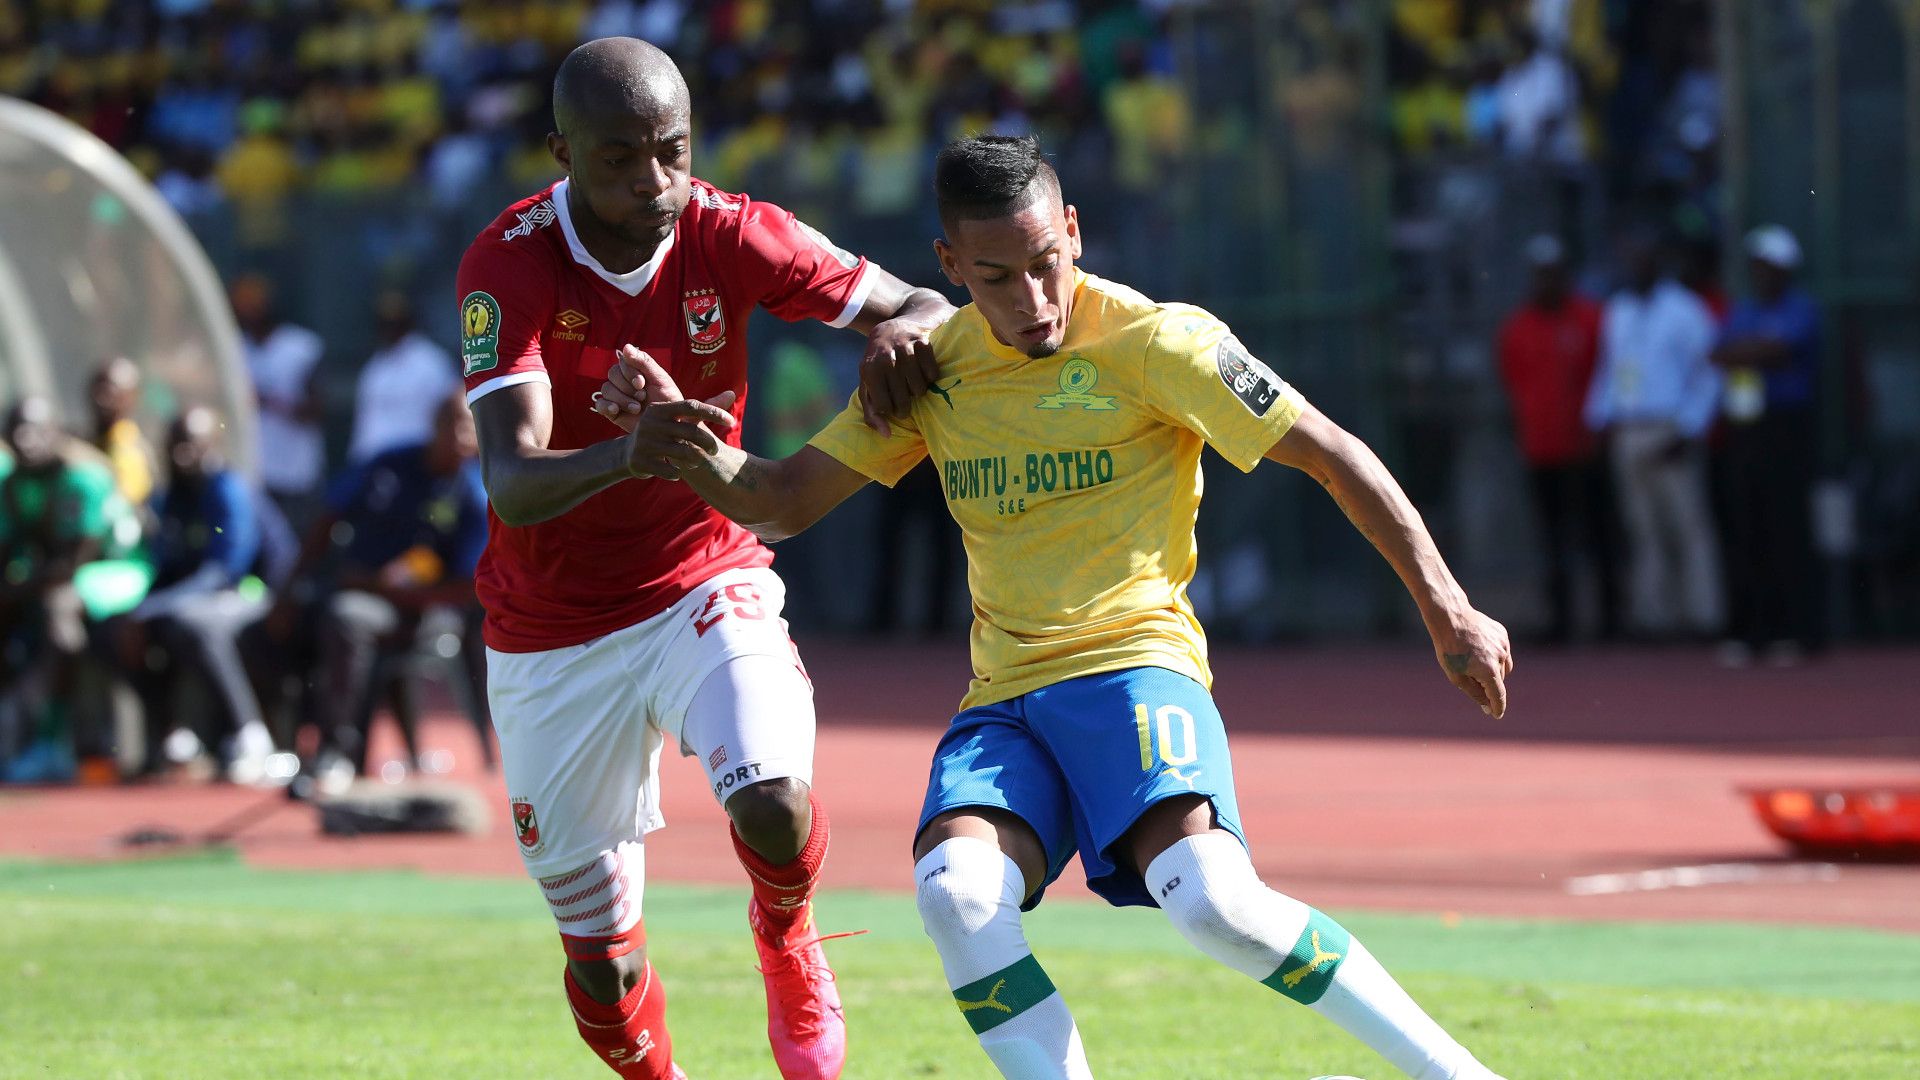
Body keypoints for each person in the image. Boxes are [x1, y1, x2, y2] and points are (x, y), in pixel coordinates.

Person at [604, 134, 1510, 1080]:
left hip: (1135, 667)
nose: (1034, 299)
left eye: (1048, 264)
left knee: (1213, 903)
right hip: (1004, 702)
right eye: (997, 277)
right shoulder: (931, 368)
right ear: (950, 267)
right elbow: (783, 503)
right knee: (955, 897)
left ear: (1073, 230)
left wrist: (1450, 610)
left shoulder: (1160, 341)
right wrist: (678, 441)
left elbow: (1329, 450)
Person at [459, 38, 952, 1080]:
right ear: (562, 152)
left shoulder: (734, 232)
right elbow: (510, 480)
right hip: (551, 632)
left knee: (772, 799)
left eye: (672, 151)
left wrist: (898, 339)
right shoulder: (509, 263)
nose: (655, 182)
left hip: (702, 574)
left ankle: (788, 936)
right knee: (599, 963)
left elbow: (923, 305)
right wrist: (629, 452)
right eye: (620, 159)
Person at [246, 394, 488, 782]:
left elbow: (470, 588)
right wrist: (288, 590)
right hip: (352, 584)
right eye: (451, 422)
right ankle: (275, 746)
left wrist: (384, 590)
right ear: (434, 424)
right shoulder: (389, 463)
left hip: (421, 612)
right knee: (266, 627)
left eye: (469, 425)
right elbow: (328, 517)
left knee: (348, 618)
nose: (459, 434)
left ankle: (337, 753)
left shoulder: (476, 495)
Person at [118, 407, 276, 781]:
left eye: (191, 444)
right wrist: (139, 611)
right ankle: (175, 738)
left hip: (253, 594)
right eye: (175, 444)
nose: (182, 453)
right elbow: (166, 567)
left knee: (194, 623)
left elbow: (225, 571)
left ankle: (251, 737)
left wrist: (154, 608)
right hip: (192, 599)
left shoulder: (228, 489)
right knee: (117, 630)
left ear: (212, 445)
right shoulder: (172, 496)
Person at [1584, 232, 1724, 639]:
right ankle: (1655, 619)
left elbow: (1709, 372)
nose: (1636, 265)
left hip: (1670, 429)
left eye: (1644, 257)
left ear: (1660, 261)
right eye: (1630, 257)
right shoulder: (1620, 309)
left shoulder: (1685, 309)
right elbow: (1610, 369)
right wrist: (1599, 419)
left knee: (1689, 526)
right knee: (1642, 528)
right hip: (1629, 428)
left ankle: (1703, 617)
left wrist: (1691, 429)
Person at [0, 398, 137, 782]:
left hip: (119, 569)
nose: (25, 439)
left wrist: (15, 590)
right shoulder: (14, 479)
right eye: (16, 430)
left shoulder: (83, 474)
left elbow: (74, 561)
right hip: (54, 573)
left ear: (56, 432)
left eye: (35, 429)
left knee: (61, 613)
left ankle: (52, 742)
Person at [1496, 235, 1619, 642]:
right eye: (1540, 274)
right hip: (1541, 450)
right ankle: (1560, 623)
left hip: (1587, 449)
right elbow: (1513, 382)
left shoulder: (1592, 318)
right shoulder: (1518, 327)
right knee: (1552, 540)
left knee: (1600, 537)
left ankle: (1610, 623)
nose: (1547, 281)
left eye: (1554, 273)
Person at [1711, 225, 1822, 664]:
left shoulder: (1802, 309)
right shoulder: (1745, 310)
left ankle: (1796, 632)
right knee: (1748, 527)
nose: (1761, 274)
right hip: (1747, 427)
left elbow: (1776, 350)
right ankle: (1754, 632)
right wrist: (1752, 350)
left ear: (1785, 270)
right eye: (1756, 266)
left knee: (1788, 529)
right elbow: (1721, 352)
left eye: (1769, 267)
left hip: (1788, 427)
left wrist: (1751, 351)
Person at [232, 273, 327, 530]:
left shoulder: (302, 347)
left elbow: (317, 409)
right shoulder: (237, 347)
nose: (249, 312)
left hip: (295, 473)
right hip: (254, 471)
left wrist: (268, 401)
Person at [348, 290, 463, 463]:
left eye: (395, 323)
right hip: (371, 460)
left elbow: (449, 414)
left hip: (413, 459)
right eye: (384, 323)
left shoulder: (431, 361)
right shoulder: (375, 365)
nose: (390, 329)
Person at [88, 357, 158, 509]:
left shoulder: (130, 451)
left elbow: (122, 504)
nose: (101, 399)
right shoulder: (97, 440)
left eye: (110, 392)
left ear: (132, 397)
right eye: (97, 390)